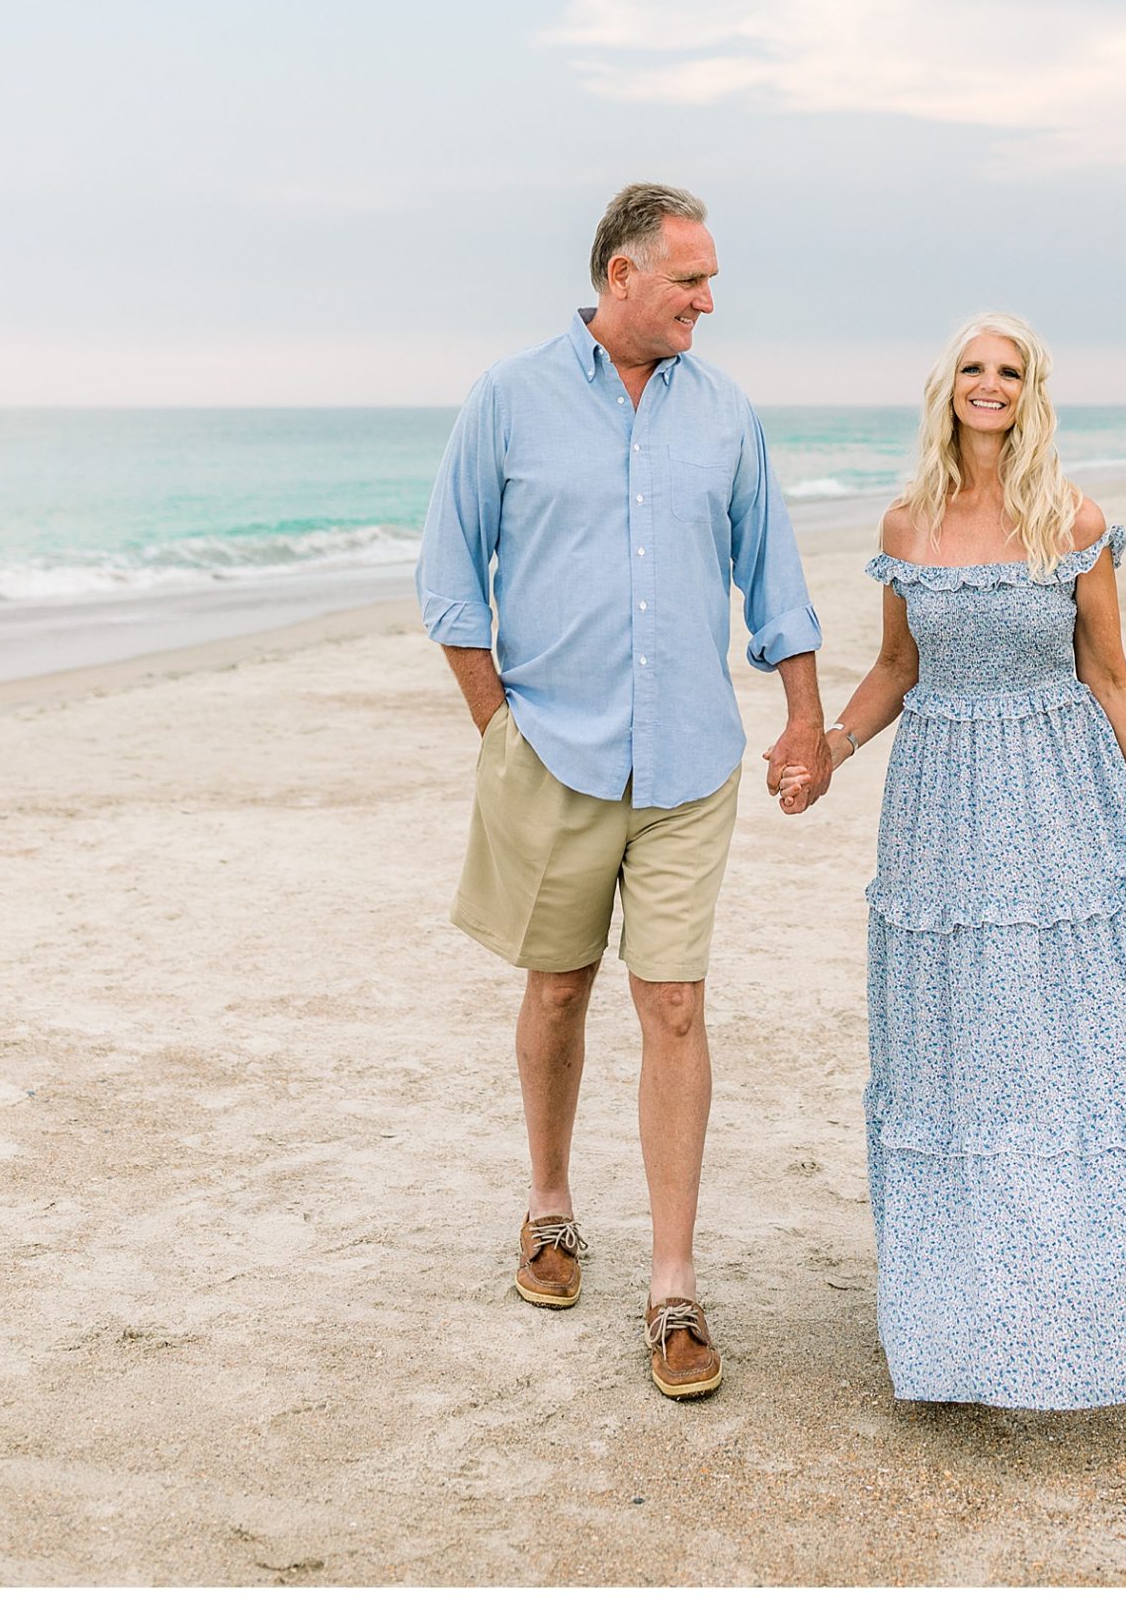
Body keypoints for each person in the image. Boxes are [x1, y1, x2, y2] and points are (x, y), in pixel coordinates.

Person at [417, 183, 830, 1401]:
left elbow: (775, 577)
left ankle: (673, 1283)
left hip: (693, 760)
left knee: (677, 1006)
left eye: (709, 281)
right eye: (691, 280)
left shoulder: (726, 414)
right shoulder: (510, 397)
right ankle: (549, 1205)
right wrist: (504, 732)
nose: (710, 301)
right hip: (556, 753)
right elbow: (449, 575)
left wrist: (806, 714)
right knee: (556, 987)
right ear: (621, 277)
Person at [778, 313, 1126, 1410]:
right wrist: (829, 745)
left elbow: (1111, 675)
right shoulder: (906, 522)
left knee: (1059, 1052)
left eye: (1008, 371)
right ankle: (961, 1320)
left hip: (1057, 810)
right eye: (973, 368)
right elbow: (893, 665)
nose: (988, 384)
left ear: (1032, 392)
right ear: (947, 388)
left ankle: (1074, 1303)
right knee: (959, 1056)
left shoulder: (1074, 518)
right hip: (939, 816)